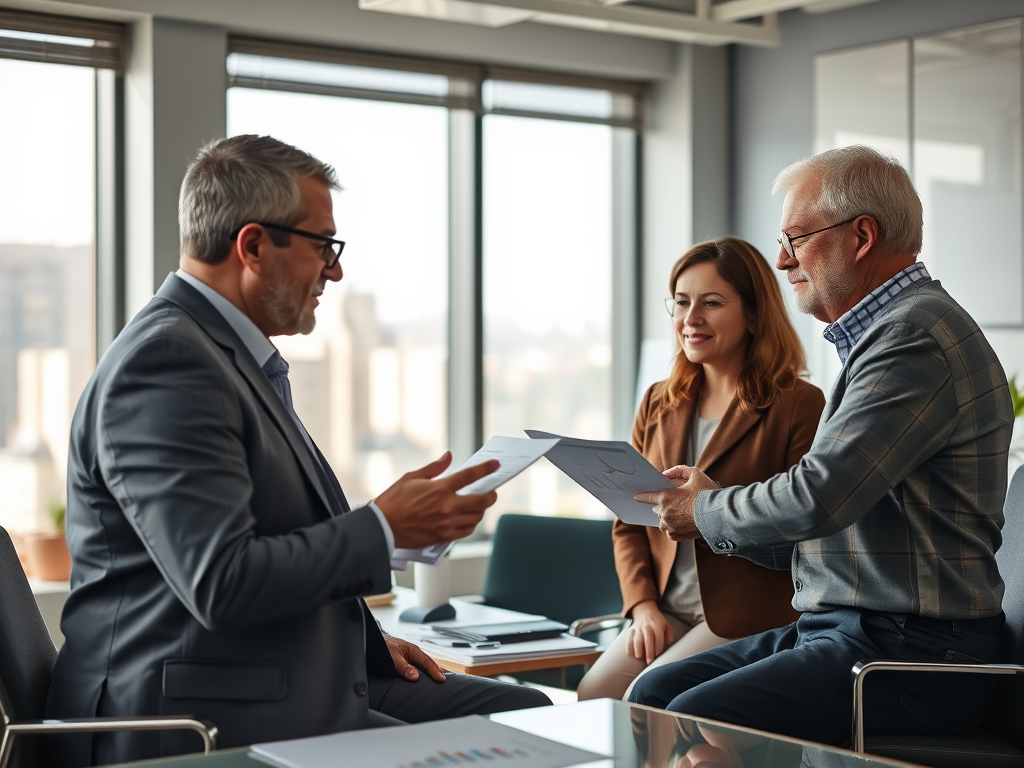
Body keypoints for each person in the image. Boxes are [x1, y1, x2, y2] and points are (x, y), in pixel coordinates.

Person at [45, 135, 549, 767]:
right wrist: (385, 529)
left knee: (519, 713)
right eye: (323, 246)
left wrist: (362, 640)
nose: (334, 271)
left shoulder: (228, 358)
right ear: (254, 246)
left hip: (255, 678)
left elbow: (270, 534)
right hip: (193, 714)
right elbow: (221, 580)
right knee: (510, 741)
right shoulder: (169, 363)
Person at [629, 145, 1013, 745]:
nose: (781, 260)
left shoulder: (913, 338)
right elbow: (830, 527)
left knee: (696, 717)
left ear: (862, 236)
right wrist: (715, 517)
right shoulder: (882, 338)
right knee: (652, 695)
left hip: (914, 651)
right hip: (847, 628)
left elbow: (819, 497)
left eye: (796, 238)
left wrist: (705, 511)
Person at [576, 237, 825, 702]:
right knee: (594, 691)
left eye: (711, 303)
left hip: (745, 616)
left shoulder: (798, 404)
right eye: (682, 302)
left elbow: (806, 526)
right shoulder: (658, 400)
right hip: (666, 610)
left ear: (754, 314)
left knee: (645, 698)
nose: (691, 318)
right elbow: (629, 521)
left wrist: (712, 507)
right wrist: (643, 607)